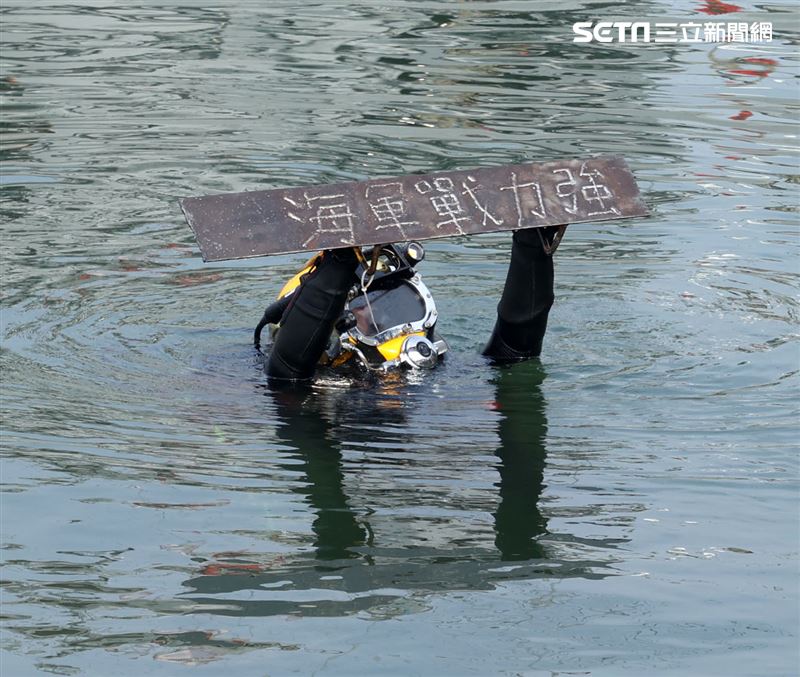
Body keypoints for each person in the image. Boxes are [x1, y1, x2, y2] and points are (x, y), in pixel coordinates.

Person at [257, 225, 564, 381]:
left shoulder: (441, 370)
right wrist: (339, 264)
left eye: (393, 304)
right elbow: (290, 363)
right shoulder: (297, 382)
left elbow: (515, 350)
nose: (386, 318)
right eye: (361, 309)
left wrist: (532, 249)